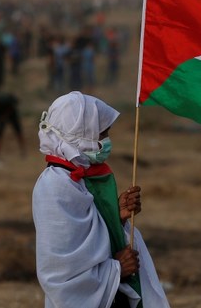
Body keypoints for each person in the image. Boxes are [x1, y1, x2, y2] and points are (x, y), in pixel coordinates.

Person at [32, 91, 170, 308]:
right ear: (79, 134)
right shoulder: (55, 186)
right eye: (101, 134)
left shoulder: (80, 178)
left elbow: (91, 236)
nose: (106, 142)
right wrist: (115, 270)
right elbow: (59, 274)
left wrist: (117, 217)